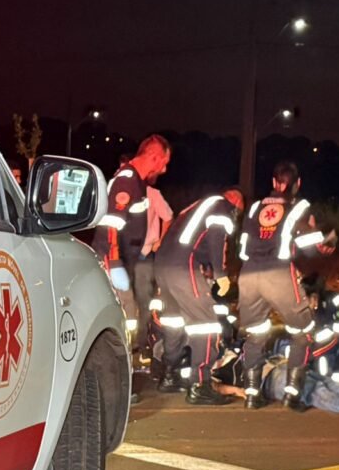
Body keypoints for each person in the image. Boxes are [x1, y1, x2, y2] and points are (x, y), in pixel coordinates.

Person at [237, 160, 333, 411]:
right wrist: (326, 240)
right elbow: (307, 245)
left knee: (256, 334)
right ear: (297, 183)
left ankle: (251, 394)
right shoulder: (300, 206)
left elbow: (243, 245)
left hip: (248, 275)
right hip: (278, 273)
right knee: (303, 331)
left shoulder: (255, 206)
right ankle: (292, 395)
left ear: (273, 182)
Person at [154, 188, 244, 404]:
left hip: (162, 265)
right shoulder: (222, 206)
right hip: (184, 266)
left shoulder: (195, 207)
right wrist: (221, 275)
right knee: (206, 324)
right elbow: (216, 237)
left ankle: (170, 375)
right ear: (236, 202)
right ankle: (201, 384)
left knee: (174, 321)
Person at [92, 135, 171, 361]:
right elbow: (111, 223)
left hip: (126, 259)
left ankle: (122, 361)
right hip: (112, 259)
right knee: (125, 314)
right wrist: (115, 262)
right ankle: (116, 364)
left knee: (128, 314)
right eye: (164, 162)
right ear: (153, 156)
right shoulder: (127, 181)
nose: (164, 170)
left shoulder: (138, 182)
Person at [212, 352, 339, 417]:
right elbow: (216, 388)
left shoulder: (227, 350)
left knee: (334, 385)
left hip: (285, 366)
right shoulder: (212, 369)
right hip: (270, 381)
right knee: (316, 392)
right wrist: (241, 391)